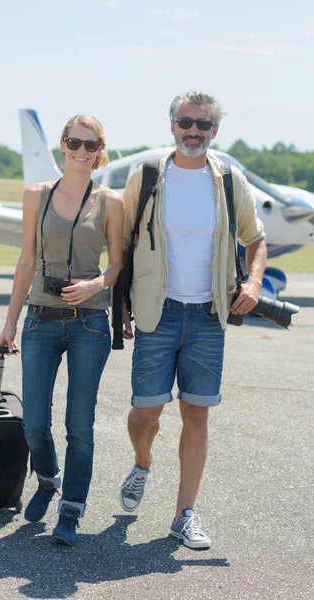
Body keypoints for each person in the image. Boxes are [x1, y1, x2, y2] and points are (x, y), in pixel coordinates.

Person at [119, 91, 266, 549]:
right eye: (186, 122)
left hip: (208, 316)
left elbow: (256, 240)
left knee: (196, 415)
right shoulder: (145, 178)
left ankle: (185, 514)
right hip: (155, 313)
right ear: (172, 126)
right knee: (145, 413)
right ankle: (142, 464)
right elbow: (121, 245)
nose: (194, 131)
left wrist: (254, 283)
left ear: (215, 131)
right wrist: (119, 304)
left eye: (203, 125)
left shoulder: (228, 181)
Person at [0, 115, 123, 546]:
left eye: (91, 145)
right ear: (63, 145)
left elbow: (118, 262)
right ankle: (47, 479)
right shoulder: (37, 195)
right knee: (33, 423)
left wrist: (96, 283)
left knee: (79, 425)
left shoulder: (110, 201)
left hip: (90, 323)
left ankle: (71, 508)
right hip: (40, 320)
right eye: (74, 142)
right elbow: (26, 260)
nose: (82, 151)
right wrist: (9, 324)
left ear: (100, 149)